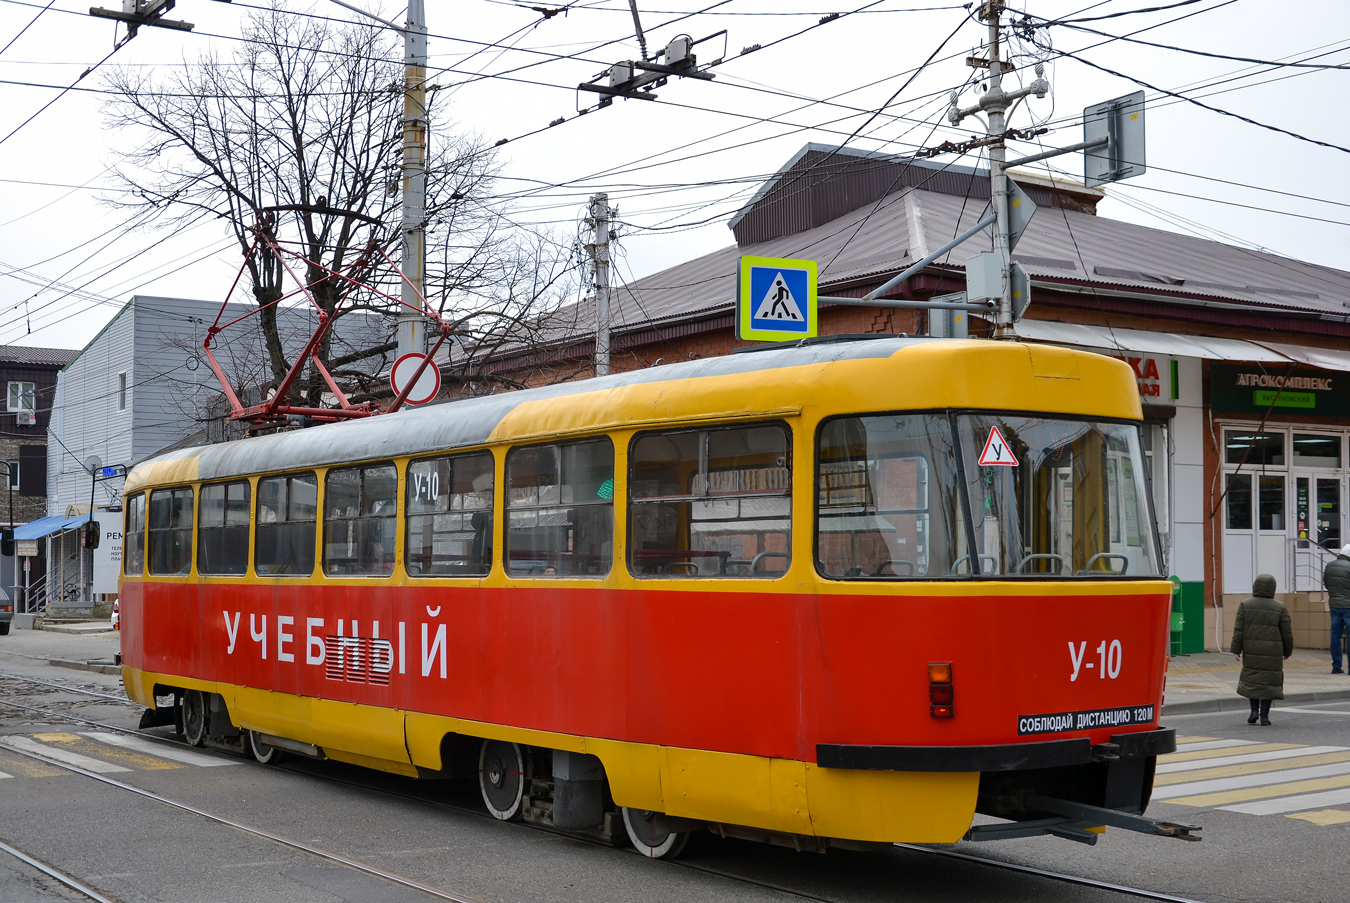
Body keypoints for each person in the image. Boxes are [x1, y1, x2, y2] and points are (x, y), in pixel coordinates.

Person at [1231, 573, 1294, 726]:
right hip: (1273, 651)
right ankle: (1264, 716)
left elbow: (1239, 629)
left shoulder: (1245, 605)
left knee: (1253, 680)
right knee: (1268, 681)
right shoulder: (1279, 607)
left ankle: (1253, 711)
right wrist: (1287, 651)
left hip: (1251, 649)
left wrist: (1236, 649)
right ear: (1272, 589)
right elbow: (1287, 632)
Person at [1321, 543, 1350, 674]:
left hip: (1334, 605)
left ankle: (1336, 666)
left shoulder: (1329, 566)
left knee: (1335, 635)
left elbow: (1326, 584)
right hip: (1348, 606)